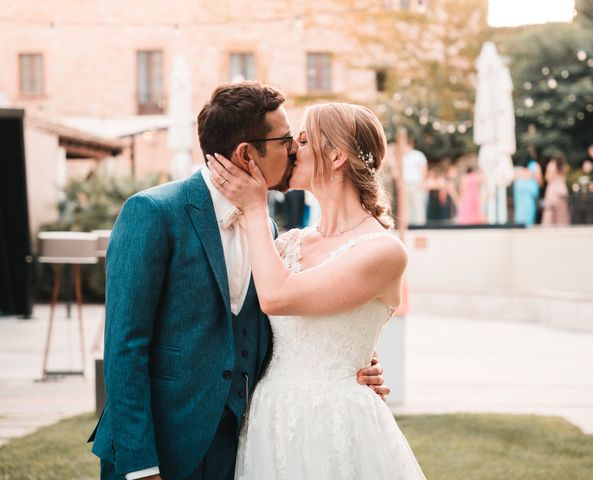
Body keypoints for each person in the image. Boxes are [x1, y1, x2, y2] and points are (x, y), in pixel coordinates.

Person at [88, 82, 388, 480]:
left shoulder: (266, 229)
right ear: (247, 153)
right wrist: (141, 466)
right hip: (160, 448)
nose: (295, 149)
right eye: (285, 140)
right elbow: (125, 347)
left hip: (243, 446)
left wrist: (353, 362)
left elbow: (280, 326)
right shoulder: (152, 212)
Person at [209, 102, 426, 479]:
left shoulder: (383, 250)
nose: (291, 147)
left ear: (338, 155)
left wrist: (257, 209)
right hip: (269, 420)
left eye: (304, 140)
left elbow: (278, 298)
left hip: (337, 424)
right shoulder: (288, 244)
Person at [399, 129, 428, 226]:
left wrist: (422, 182)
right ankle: (409, 225)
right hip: (405, 184)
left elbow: (424, 169)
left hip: (416, 184)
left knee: (418, 205)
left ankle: (420, 225)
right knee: (407, 207)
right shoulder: (401, 157)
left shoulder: (418, 155)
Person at [541, 152, 570, 226]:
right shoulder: (564, 166)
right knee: (562, 211)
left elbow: (548, 178)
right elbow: (564, 178)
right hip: (562, 188)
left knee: (549, 210)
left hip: (553, 189)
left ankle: (548, 226)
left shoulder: (551, 165)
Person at [513, 157, 541, 226]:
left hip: (523, 200)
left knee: (521, 216)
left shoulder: (517, 170)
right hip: (528, 200)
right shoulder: (534, 166)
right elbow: (539, 180)